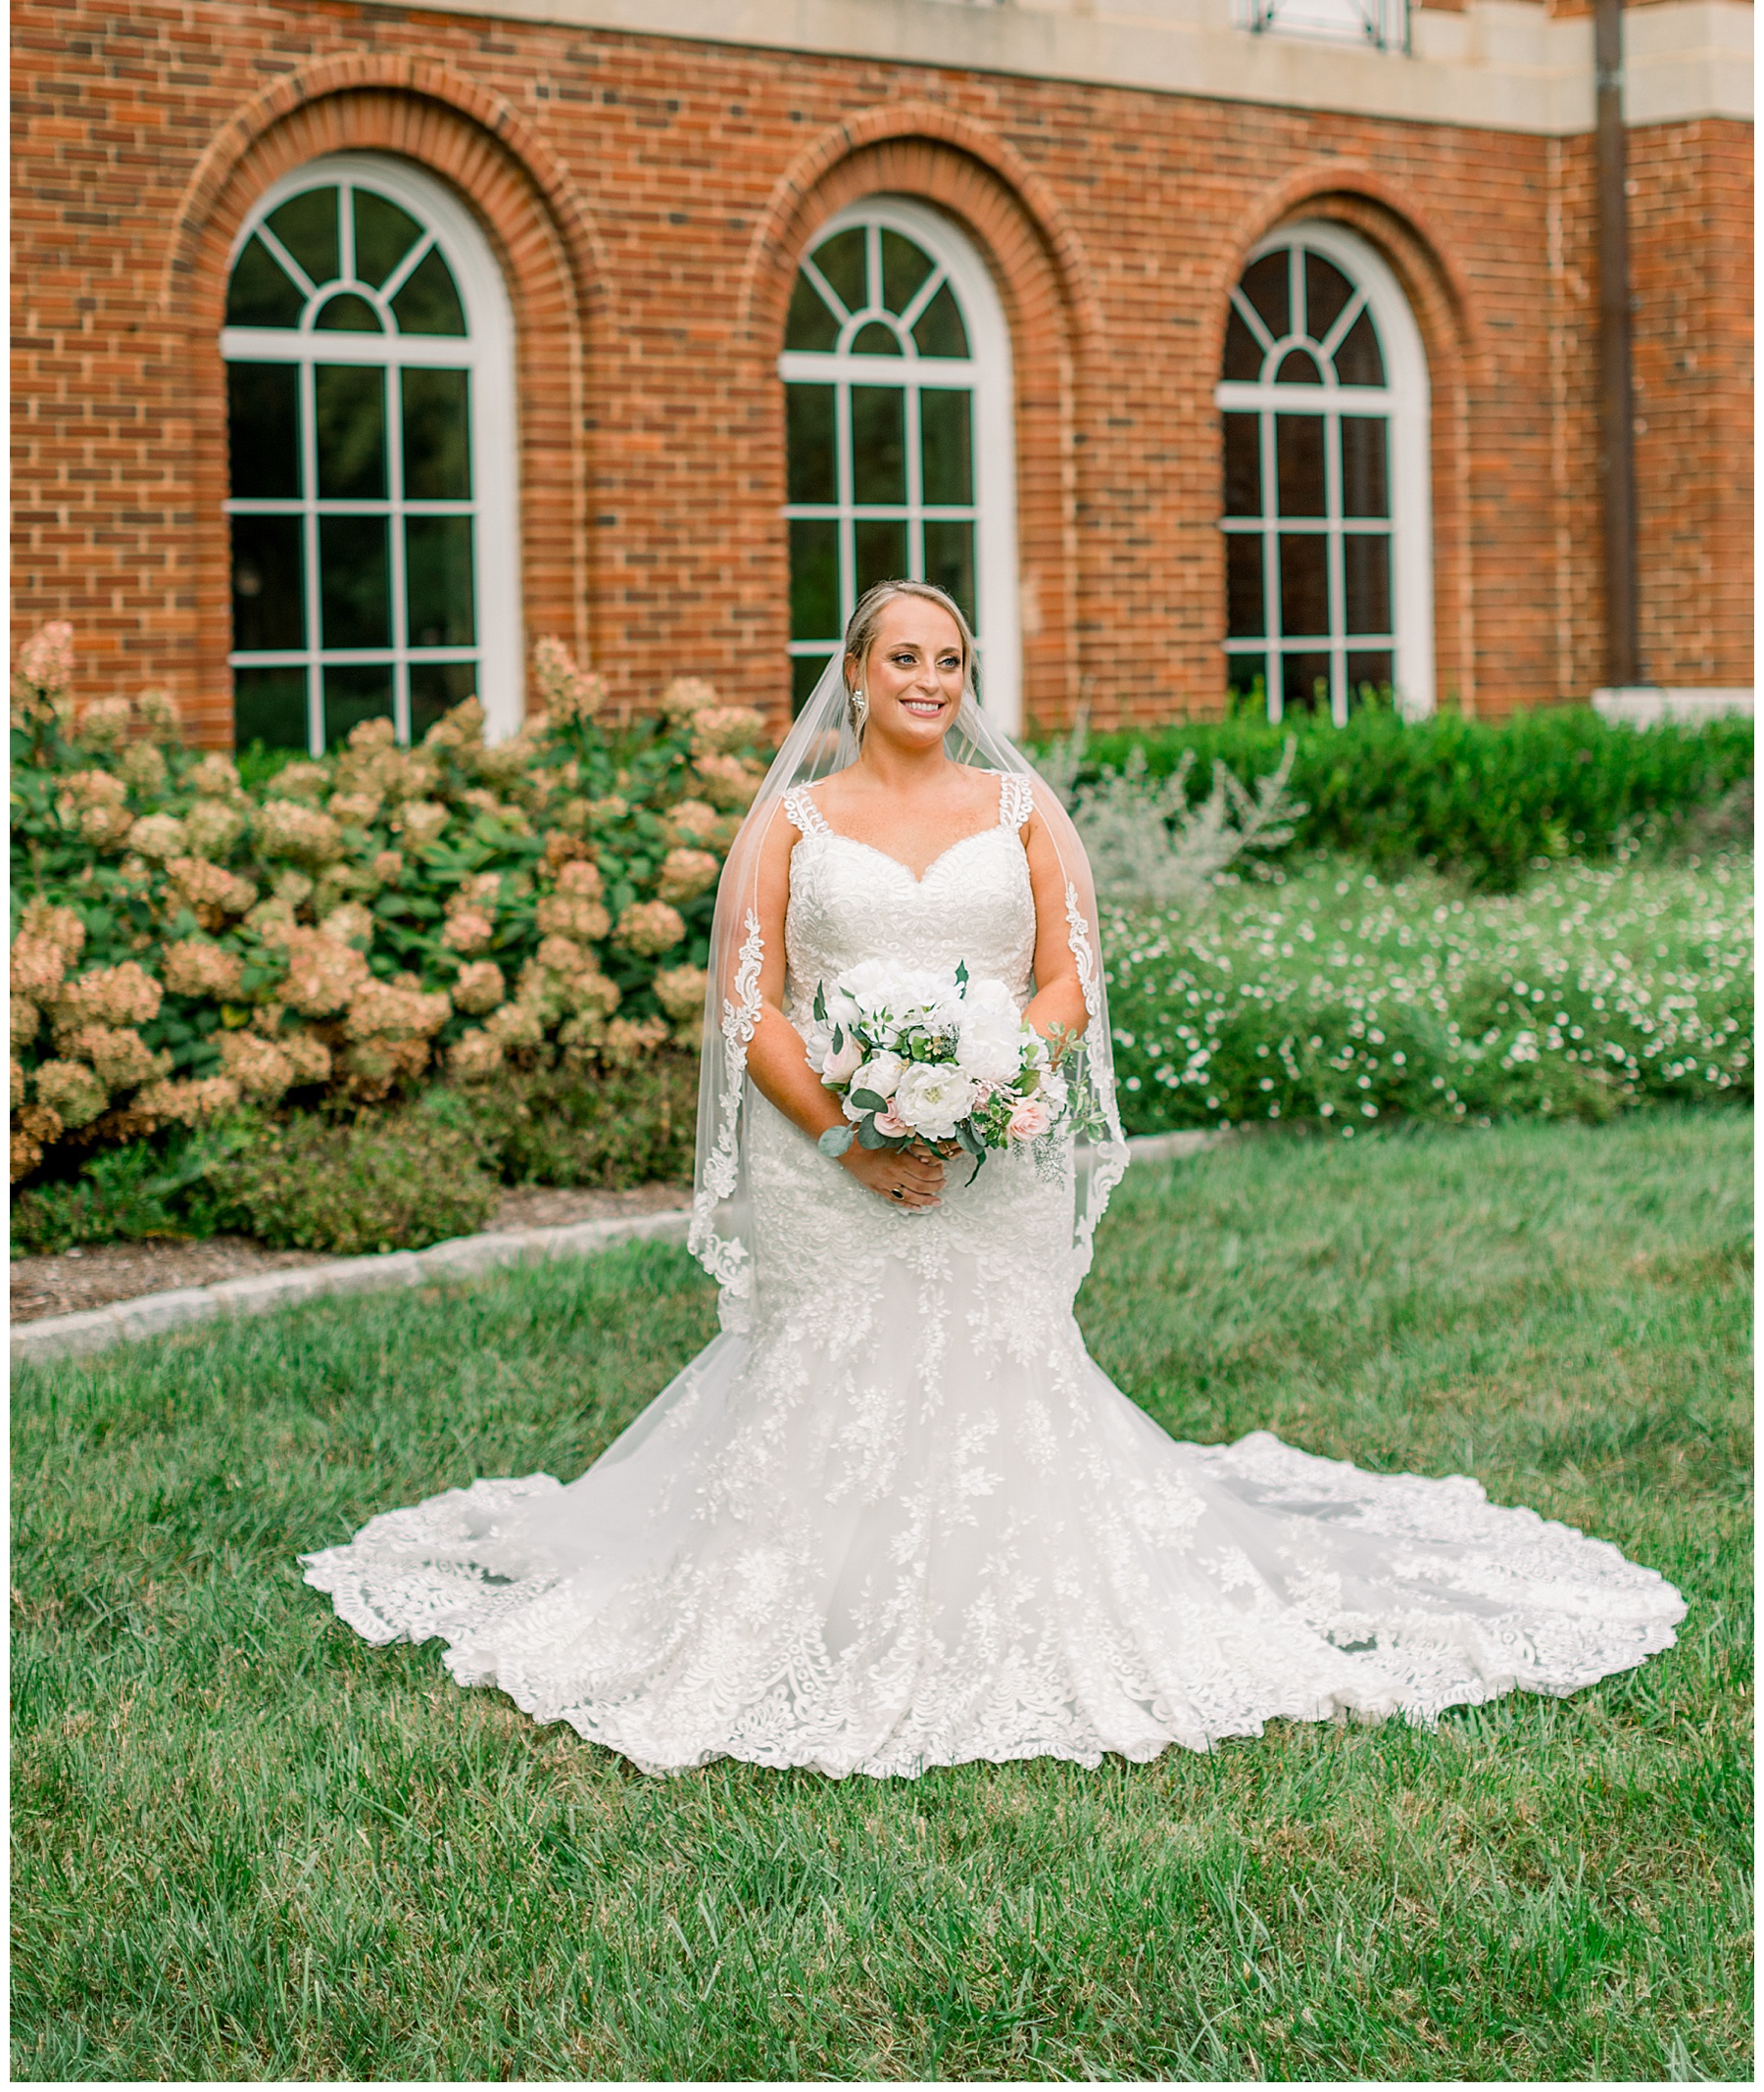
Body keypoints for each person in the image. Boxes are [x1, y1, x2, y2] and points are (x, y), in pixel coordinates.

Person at [303, 581, 1685, 1777]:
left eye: (950, 660)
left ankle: (1015, 1603)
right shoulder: (794, 822)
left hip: (997, 1150)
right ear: (854, 672)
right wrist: (857, 1135)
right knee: (825, 1376)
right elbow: (752, 1008)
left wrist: (992, 1087)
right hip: (820, 1159)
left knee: (996, 1373)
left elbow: (1072, 977)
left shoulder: (1026, 810)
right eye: (903, 657)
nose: (928, 680)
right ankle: (795, 1613)